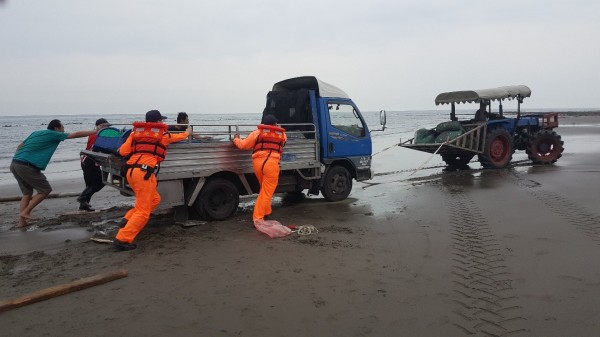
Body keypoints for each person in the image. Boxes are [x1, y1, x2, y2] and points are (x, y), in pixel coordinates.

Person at [113, 110, 191, 251]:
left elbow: (123, 151)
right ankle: (122, 239)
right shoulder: (163, 135)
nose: (162, 122)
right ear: (158, 122)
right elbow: (181, 136)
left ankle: (128, 219)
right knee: (143, 211)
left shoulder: (134, 134)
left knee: (154, 199)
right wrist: (188, 132)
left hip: (131, 171)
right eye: (161, 120)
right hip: (144, 173)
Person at [11, 119, 96, 228]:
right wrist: (95, 132)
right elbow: (76, 134)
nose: (64, 130)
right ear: (56, 128)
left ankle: (22, 222)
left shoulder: (35, 133)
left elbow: (19, 146)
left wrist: (22, 157)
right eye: (62, 127)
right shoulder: (54, 134)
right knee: (45, 190)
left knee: (27, 193)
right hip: (27, 166)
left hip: (15, 163)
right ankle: (26, 212)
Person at [232, 114, 287, 223]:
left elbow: (244, 145)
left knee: (264, 190)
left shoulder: (257, 133)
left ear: (264, 124)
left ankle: (266, 212)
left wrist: (236, 140)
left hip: (258, 164)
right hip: (271, 164)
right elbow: (283, 142)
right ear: (275, 124)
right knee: (266, 193)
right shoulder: (282, 135)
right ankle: (258, 218)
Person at [77, 118, 111, 212]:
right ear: (98, 126)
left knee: (90, 184)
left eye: (107, 126)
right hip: (90, 160)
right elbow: (98, 149)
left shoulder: (93, 134)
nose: (106, 128)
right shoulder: (98, 135)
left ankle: (83, 205)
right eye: (104, 126)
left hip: (85, 159)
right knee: (100, 182)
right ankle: (83, 198)